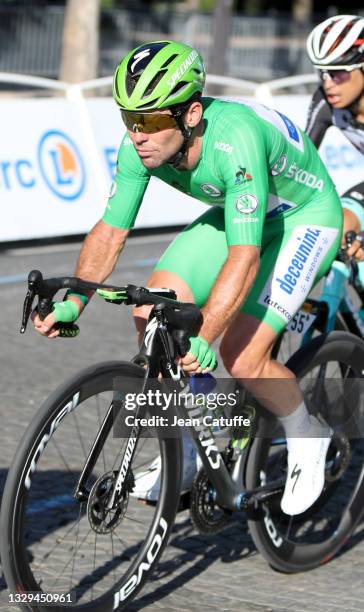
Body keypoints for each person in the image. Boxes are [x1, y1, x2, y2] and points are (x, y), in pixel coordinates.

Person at [33, 40, 343, 516]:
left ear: (191, 114)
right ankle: (195, 443)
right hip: (238, 213)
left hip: (304, 216)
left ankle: (308, 432)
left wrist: (208, 335)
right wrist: (75, 301)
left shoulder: (234, 139)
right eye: (129, 120)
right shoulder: (140, 145)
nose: (139, 135)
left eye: (152, 121)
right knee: (150, 311)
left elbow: (245, 255)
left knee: (241, 355)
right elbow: (111, 230)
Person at [306, 14, 364, 270]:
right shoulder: (326, 101)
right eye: (323, 72)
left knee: (347, 220)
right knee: (338, 230)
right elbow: (302, 158)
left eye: (338, 72)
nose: (328, 83)